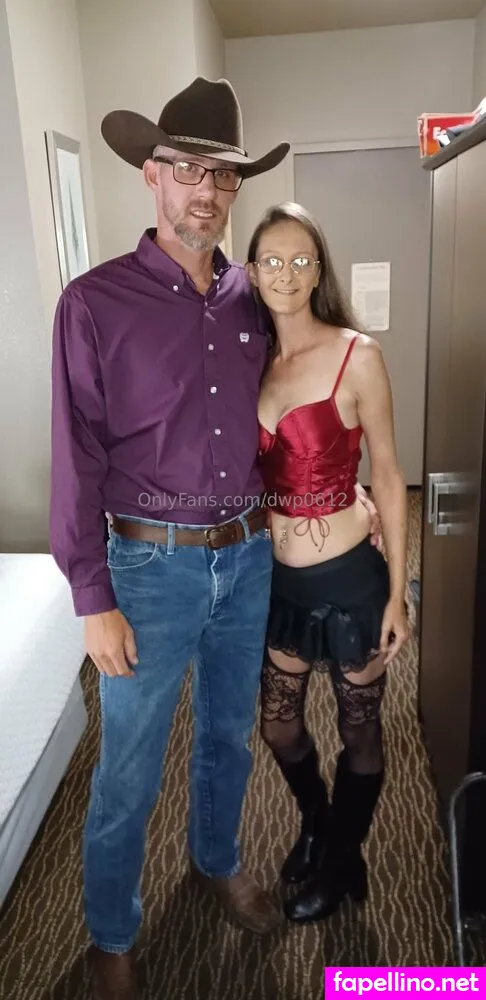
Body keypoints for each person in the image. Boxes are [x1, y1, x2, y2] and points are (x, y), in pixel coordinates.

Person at [50, 77, 292, 1000]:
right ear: (150, 174)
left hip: (249, 556)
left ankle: (217, 860)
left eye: (224, 176)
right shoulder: (93, 303)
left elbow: (297, 407)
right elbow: (76, 454)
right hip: (147, 567)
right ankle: (112, 934)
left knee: (230, 734)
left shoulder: (252, 298)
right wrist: (92, 596)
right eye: (188, 169)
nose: (207, 191)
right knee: (128, 766)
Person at [246, 202, 410, 925]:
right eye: (271, 260)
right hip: (280, 582)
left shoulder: (356, 354)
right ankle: (319, 822)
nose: (285, 273)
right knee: (278, 726)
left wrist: (398, 593)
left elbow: (391, 476)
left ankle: (344, 859)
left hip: (350, 582)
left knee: (359, 729)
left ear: (319, 272)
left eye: (300, 260)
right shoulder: (250, 361)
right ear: (252, 272)